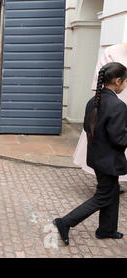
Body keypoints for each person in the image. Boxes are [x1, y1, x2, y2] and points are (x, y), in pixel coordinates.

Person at [54, 62, 127, 245]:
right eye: (125, 82)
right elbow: (119, 139)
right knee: (103, 196)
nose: (125, 86)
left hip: (97, 157)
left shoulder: (93, 101)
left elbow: (88, 128)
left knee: (111, 193)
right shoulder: (117, 106)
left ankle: (106, 229)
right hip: (108, 160)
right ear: (118, 81)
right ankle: (65, 222)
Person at [73, 43, 127, 189]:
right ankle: (110, 182)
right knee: (109, 146)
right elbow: (119, 140)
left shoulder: (92, 103)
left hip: (114, 108)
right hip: (113, 111)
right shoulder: (111, 105)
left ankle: (110, 185)